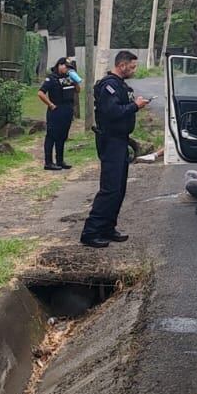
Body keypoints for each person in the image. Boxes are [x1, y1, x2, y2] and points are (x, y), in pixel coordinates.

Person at [81, 50, 149, 248]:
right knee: (110, 188)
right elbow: (112, 112)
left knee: (119, 188)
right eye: (133, 66)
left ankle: (108, 227)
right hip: (110, 141)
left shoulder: (120, 85)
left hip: (120, 140)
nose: (134, 70)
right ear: (122, 65)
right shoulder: (109, 85)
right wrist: (135, 106)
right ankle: (91, 231)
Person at [37, 57, 77, 171]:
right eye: (66, 66)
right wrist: (50, 104)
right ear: (60, 65)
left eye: (69, 68)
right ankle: (48, 162)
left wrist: (76, 81)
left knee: (62, 136)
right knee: (51, 136)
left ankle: (60, 160)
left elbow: (77, 90)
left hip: (67, 110)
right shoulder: (51, 78)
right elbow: (40, 93)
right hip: (56, 110)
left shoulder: (68, 78)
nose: (67, 69)